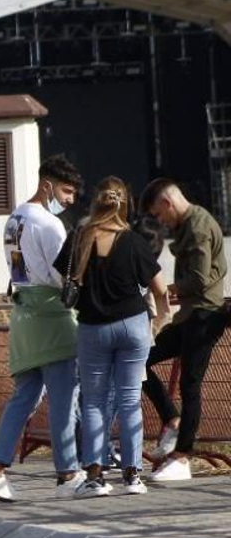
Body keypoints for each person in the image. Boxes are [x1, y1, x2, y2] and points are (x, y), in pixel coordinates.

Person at [0, 156, 85, 503]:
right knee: (63, 399)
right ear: (47, 184)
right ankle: (67, 471)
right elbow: (62, 274)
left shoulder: (14, 218)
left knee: (23, 397)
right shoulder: (50, 224)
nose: (69, 199)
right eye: (66, 191)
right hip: (52, 314)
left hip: (22, 312)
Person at [54, 178, 169, 496]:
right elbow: (159, 289)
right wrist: (160, 322)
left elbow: (58, 279)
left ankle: (95, 476)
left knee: (94, 402)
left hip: (93, 327)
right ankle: (133, 476)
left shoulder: (80, 237)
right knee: (130, 399)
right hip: (133, 325)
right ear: (124, 205)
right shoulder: (134, 241)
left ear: (95, 203)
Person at [140, 178, 230, 482]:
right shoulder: (190, 224)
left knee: (191, 385)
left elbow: (201, 279)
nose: (160, 222)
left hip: (204, 316)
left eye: (157, 214)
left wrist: (172, 289)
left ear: (167, 203)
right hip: (190, 316)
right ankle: (172, 419)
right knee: (140, 361)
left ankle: (182, 456)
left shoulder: (198, 226)